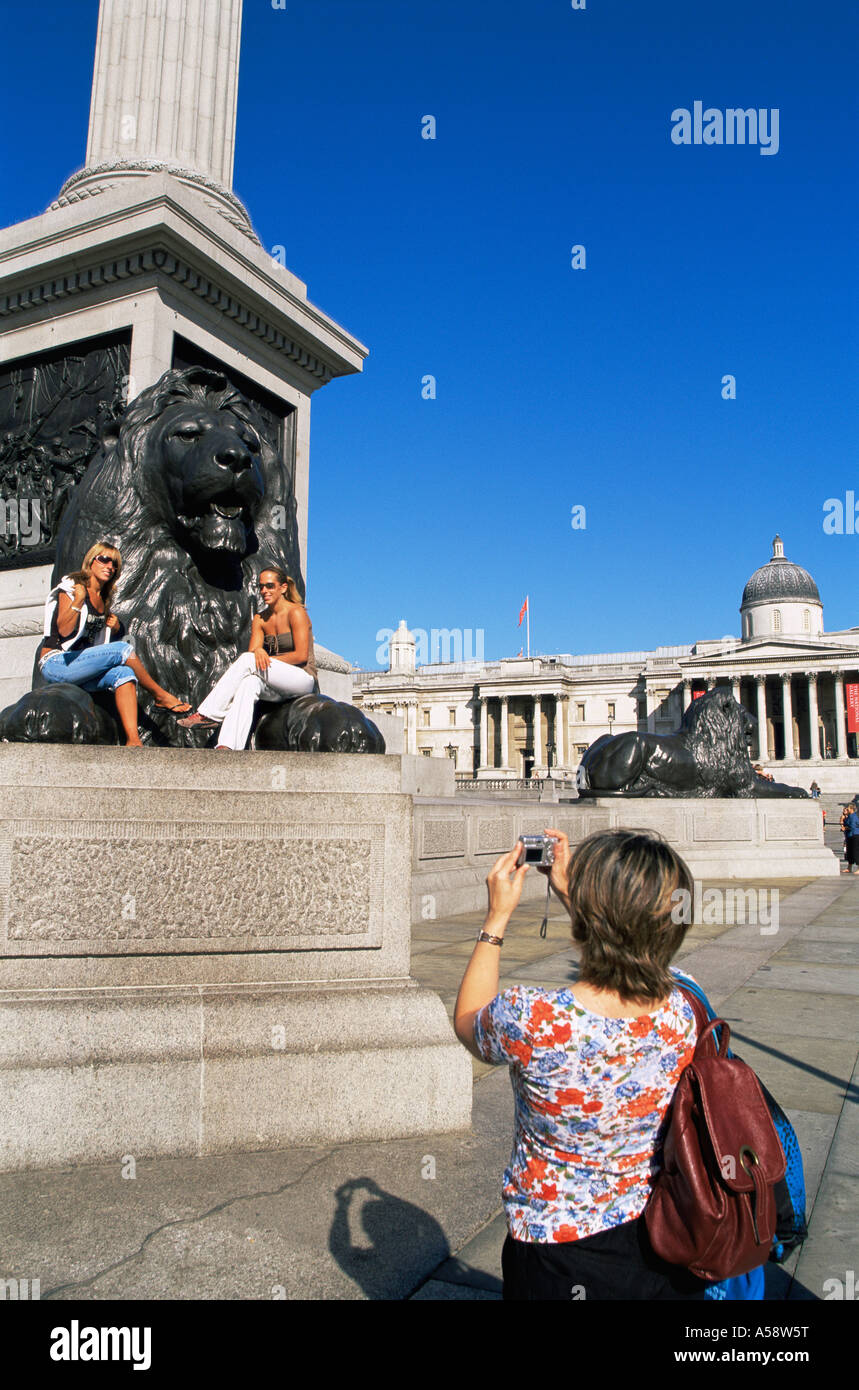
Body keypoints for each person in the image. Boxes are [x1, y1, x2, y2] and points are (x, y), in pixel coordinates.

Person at [453, 826, 762, 1301]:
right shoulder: (684, 1005)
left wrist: (496, 919)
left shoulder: (534, 1018)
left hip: (552, 1244)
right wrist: (580, 897)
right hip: (660, 1232)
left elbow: (468, 1022)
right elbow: (633, 945)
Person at [39, 542, 191, 747]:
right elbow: (65, 631)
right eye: (104, 559)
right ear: (91, 562)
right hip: (57, 663)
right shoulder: (71, 587)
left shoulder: (103, 599)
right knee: (123, 650)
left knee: (123, 674)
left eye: (114, 564)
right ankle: (160, 695)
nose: (110, 566)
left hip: (80, 670)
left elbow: (96, 642)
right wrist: (78, 600)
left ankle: (133, 741)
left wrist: (117, 626)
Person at [179, 568, 317, 748]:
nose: (264, 591)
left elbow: (300, 656)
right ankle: (227, 746)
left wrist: (263, 658)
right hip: (276, 682)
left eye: (270, 586)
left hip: (302, 679)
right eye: (261, 587)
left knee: (247, 661)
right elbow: (254, 652)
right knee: (249, 683)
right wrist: (259, 654)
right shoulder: (260, 618)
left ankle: (208, 714)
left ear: (283, 588)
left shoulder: (296, 612)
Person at [844, 803, 859, 874]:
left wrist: (846, 827)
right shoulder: (849, 816)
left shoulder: (854, 817)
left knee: (855, 852)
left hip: (855, 835)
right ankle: (849, 867)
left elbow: (853, 826)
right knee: (849, 852)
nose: (847, 810)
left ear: (851, 809)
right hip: (849, 835)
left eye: (848, 808)